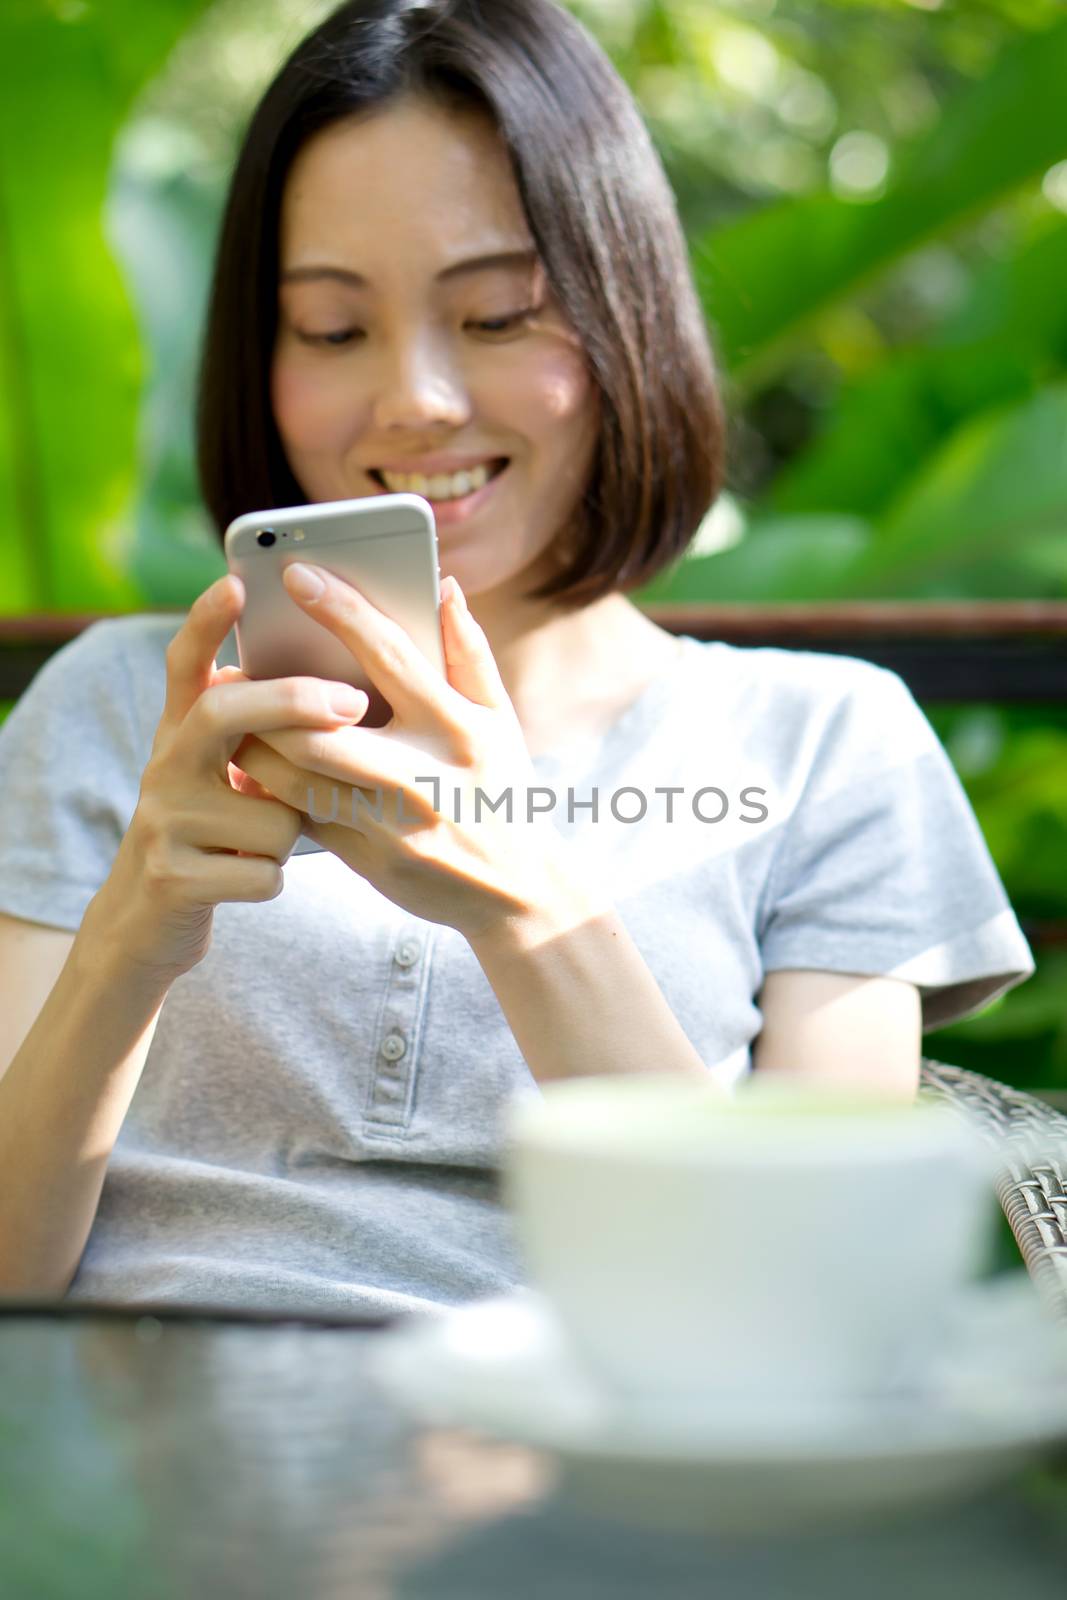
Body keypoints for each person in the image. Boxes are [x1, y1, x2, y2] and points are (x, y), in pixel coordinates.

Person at [0, 0, 1034, 1318]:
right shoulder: (111, 707)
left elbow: (822, 1299)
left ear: (627, 320)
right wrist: (130, 936)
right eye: (329, 328)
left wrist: (524, 904)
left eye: (497, 316)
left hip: (595, 1466)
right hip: (134, 1475)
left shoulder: (826, 739)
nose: (416, 399)